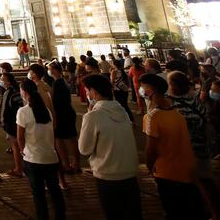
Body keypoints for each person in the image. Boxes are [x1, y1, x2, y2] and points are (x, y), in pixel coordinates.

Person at [139, 72, 203, 219]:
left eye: (143, 88)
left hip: (166, 172)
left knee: (173, 210)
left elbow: (151, 149)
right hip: (187, 169)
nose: (141, 91)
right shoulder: (176, 112)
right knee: (192, 209)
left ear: (150, 90)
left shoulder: (152, 116)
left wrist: (149, 166)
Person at [78, 74, 142, 220]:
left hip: (107, 173)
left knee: (114, 214)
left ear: (93, 91)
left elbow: (84, 149)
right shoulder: (122, 111)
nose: (86, 94)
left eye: (87, 90)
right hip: (129, 172)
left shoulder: (93, 116)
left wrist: (89, 115)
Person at [168, 70, 220, 218]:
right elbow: (204, 118)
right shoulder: (194, 100)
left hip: (185, 149)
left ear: (173, 85)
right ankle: (214, 213)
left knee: (190, 185)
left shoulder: (171, 104)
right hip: (201, 146)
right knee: (206, 182)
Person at [17, 79, 65, 220]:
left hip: (33, 159)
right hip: (51, 157)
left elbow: (20, 137)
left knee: (39, 195)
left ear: (24, 92)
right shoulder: (47, 111)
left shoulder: (23, 111)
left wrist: (22, 150)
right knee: (55, 192)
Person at [47, 61, 79, 174]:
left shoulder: (58, 83)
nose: (49, 71)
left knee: (59, 139)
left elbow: (55, 101)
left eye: (50, 69)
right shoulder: (62, 81)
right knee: (72, 138)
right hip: (68, 111)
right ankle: (76, 163)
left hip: (62, 113)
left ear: (55, 70)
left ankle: (66, 165)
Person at [0, 72, 25, 177]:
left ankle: (18, 168)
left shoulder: (8, 93)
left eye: (3, 79)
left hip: (11, 123)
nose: (1, 80)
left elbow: (4, 109)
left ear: (8, 82)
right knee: (20, 145)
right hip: (19, 121)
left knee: (16, 146)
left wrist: (2, 122)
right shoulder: (17, 91)